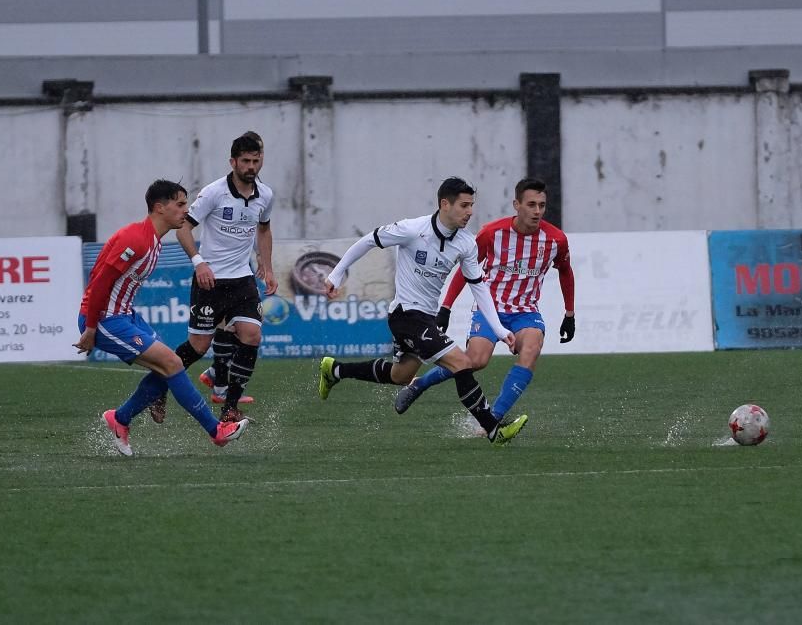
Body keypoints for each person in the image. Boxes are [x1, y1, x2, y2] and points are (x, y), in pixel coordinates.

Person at [317, 177, 529, 446]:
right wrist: (336, 275)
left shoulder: (466, 243)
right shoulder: (412, 229)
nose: (470, 212)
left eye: (471, 205)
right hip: (405, 315)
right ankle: (493, 429)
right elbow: (368, 241)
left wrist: (499, 329)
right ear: (444, 204)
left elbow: (478, 286)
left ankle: (335, 370)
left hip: (425, 318)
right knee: (461, 363)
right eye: (464, 205)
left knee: (401, 375)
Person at [74, 179, 249, 456]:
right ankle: (217, 432)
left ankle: (120, 418)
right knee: (172, 363)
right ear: (159, 207)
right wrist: (91, 328)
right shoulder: (135, 239)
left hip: (124, 316)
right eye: (179, 204)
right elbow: (99, 285)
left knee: (166, 366)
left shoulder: (153, 241)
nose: (186, 210)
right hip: (105, 319)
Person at [394, 178, 576, 422]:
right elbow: (465, 270)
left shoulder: (556, 240)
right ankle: (419, 385)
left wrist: (569, 314)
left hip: (525, 311)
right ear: (516, 204)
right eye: (531, 204)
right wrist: (446, 307)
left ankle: (494, 419)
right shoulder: (492, 233)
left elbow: (565, 270)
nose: (537, 211)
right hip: (490, 308)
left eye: (542, 205)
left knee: (531, 349)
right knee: (475, 361)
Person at [151, 134, 276, 425]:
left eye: (256, 160)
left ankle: (230, 408)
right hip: (210, 281)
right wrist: (199, 263)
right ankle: (158, 386)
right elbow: (183, 229)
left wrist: (267, 266)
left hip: (242, 280)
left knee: (252, 335)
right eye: (245, 161)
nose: (251, 166)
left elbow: (264, 230)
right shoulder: (214, 193)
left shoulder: (266, 195)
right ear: (233, 162)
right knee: (198, 346)